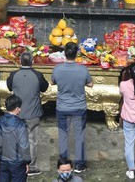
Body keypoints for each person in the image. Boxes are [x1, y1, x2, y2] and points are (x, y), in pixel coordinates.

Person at [51, 42, 92, 173]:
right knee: (79, 135)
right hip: (79, 107)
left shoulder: (57, 69)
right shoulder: (83, 69)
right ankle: (79, 165)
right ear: (77, 54)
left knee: (63, 135)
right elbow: (90, 84)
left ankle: (63, 162)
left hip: (62, 107)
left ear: (64, 53)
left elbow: (52, 82)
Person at [6, 51, 49, 177]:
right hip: (33, 113)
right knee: (32, 141)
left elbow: (9, 87)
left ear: (20, 61)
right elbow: (45, 88)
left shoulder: (13, 75)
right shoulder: (38, 75)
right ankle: (30, 167)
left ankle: (14, 163)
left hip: (16, 113)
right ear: (32, 62)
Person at [0, 95, 31, 182]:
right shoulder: (21, 125)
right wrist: (27, 161)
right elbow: (24, 146)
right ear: (17, 109)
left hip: (3, 161)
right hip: (18, 163)